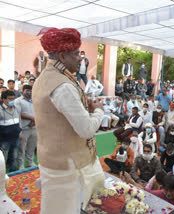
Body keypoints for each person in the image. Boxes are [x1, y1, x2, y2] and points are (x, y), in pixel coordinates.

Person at [33, 28, 106, 214]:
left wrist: (84, 108)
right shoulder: (63, 85)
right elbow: (86, 130)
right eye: (76, 54)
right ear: (62, 57)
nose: (80, 59)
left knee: (52, 207)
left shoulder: (45, 78)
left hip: (51, 158)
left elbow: (59, 116)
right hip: (64, 165)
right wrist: (98, 112)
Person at [14, 85, 37, 170]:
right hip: (23, 128)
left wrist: (34, 121)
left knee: (32, 146)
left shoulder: (34, 100)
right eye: (27, 90)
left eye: (31, 90)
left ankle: (30, 162)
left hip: (34, 127)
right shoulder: (18, 101)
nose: (29, 92)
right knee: (22, 148)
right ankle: (21, 165)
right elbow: (18, 113)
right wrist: (32, 118)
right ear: (23, 91)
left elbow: (38, 112)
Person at [0, 90, 21, 172]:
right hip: (4, 139)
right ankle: (2, 172)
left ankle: (13, 170)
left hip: (15, 137)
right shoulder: (0, 110)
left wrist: (20, 132)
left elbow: (19, 122)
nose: (12, 101)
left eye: (13, 99)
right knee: (3, 157)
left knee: (14, 156)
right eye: (10, 99)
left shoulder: (16, 108)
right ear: (3, 99)